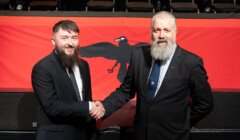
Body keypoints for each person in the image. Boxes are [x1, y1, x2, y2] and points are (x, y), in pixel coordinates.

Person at [91, 11, 214, 140]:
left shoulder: (191, 62)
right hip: (141, 135)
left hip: (174, 136)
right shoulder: (138, 56)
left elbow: (205, 103)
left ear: (175, 31)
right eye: (157, 30)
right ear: (151, 33)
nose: (161, 35)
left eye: (167, 30)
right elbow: (125, 91)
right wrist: (104, 107)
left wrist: (182, 121)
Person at [32, 20, 101, 140]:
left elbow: (85, 98)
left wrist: (94, 107)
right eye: (64, 38)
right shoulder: (42, 68)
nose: (70, 43)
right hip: (55, 135)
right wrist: (89, 106)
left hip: (84, 134)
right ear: (53, 41)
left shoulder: (83, 65)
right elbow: (52, 107)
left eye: (74, 38)